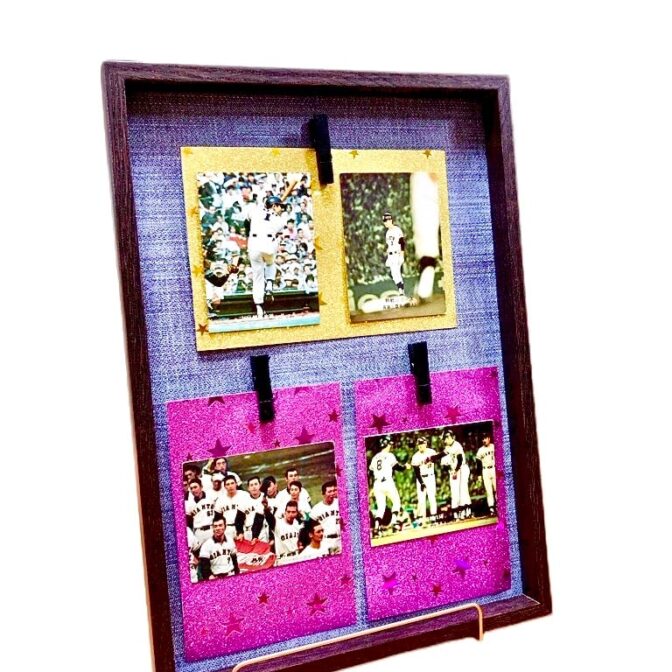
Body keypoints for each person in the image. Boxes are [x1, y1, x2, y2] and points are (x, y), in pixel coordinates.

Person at [247, 195, 288, 318]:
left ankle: (259, 308)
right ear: (274, 206)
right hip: (269, 246)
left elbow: (247, 219)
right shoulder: (281, 220)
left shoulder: (255, 211)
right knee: (270, 263)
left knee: (257, 277)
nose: (281, 209)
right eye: (279, 206)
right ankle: (269, 285)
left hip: (254, 245)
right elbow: (275, 221)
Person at [369, 438, 407, 530]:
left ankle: (377, 526)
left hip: (377, 484)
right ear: (387, 445)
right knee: (396, 501)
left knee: (381, 507)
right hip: (387, 482)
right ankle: (393, 522)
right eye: (390, 444)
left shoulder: (375, 457)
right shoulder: (389, 455)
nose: (391, 446)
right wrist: (405, 466)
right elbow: (398, 467)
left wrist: (372, 486)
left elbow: (370, 472)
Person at [441, 430, 472, 520]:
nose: (446, 440)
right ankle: (460, 513)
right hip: (455, 470)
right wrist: (431, 458)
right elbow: (441, 455)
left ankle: (466, 512)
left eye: (447, 437)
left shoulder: (457, 445)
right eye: (445, 438)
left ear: (452, 437)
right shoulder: (448, 448)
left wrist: (456, 470)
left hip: (462, 468)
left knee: (463, 489)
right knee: (455, 491)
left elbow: (460, 460)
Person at [198, 515, 240, 580]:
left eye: (220, 525)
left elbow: (234, 560)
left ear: (225, 527)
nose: (218, 528)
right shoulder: (206, 545)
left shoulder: (230, 540)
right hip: (216, 577)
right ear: (212, 528)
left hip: (230, 574)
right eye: (215, 526)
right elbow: (204, 567)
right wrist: (210, 577)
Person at [214, 475, 251, 542]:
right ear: (225, 486)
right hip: (227, 529)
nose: (230, 486)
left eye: (232, 483)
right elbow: (217, 517)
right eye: (228, 484)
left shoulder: (245, 495)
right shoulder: (220, 499)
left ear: (236, 484)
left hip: (243, 527)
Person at [410, 435, 439, 522]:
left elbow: (436, 458)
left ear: (426, 443)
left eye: (422, 443)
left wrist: (432, 458)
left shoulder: (431, 452)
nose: (420, 446)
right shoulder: (415, 456)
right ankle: (422, 519)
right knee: (421, 499)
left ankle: (434, 518)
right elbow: (416, 472)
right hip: (421, 479)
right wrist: (422, 483)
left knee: (432, 497)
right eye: (419, 444)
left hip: (430, 477)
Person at [308, 480, 340, 551]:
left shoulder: (340, 503)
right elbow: (310, 526)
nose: (332, 493)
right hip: (325, 541)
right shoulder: (316, 509)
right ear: (323, 493)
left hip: (340, 539)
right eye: (329, 491)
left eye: (333, 491)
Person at [185, 478, 217, 545]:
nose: (193, 490)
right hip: (199, 532)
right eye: (191, 488)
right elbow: (189, 522)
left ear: (201, 487)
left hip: (212, 529)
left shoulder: (211, 498)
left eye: (195, 487)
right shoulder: (189, 504)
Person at [382, 211, 406, 295]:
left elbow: (402, 243)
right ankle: (401, 289)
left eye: (386, 221)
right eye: (384, 221)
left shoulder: (397, 230)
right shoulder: (387, 232)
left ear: (390, 220)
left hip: (397, 254)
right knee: (394, 274)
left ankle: (401, 291)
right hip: (391, 255)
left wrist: (402, 255)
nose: (385, 223)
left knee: (396, 273)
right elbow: (389, 245)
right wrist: (388, 256)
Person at [274, 501, 302, 566]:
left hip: (297, 558)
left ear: (297, 513)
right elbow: (269, 518)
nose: (290, 514)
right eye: (288, 512)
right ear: (285, 512)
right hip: (283, 560)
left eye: (293, 512)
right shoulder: (277, 524)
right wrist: (266, 508)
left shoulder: (299, 525)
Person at [476, 434, 497, 515]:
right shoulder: (480, 450)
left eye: (485, 438)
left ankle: (499, 506)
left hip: (494, 469)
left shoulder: (494, 447)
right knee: (488, 490)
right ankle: (491, 508)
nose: (484, 440)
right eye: (482, 439)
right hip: (485, 470)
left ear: (489, 438)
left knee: (497, 489)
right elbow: (478, 464)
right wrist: (479, 475)